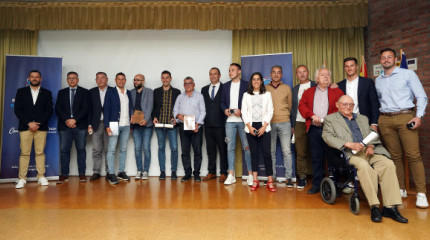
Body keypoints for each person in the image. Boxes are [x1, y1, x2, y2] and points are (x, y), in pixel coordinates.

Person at [323, 95, 408, 223]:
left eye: (351, 104)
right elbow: (327, 136)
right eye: (345, 104)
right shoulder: (330, 119)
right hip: (350, 153)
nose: (348, 107)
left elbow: (372, 135)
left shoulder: (362, 118)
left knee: (388, 164)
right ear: (337, 105)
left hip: (368, 151)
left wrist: (371, 145)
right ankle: (374, 207)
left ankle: (390, 207)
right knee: (363, 166)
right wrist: (348, 144)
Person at [375, 48, 428, 208]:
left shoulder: (408, 74)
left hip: (406, 117)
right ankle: (400, 188)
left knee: (414, 156)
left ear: (395, 59)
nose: (386, 60)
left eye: (389, 57)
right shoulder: (378, 80)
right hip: (385, 119)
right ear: (380, 61)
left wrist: (419, 116)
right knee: (395, 157)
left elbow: (421, 96)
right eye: (383, 58)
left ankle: (421, 193)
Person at [298, 68, 344, 194]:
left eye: (328, 75)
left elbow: (342, 107)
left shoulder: (338, 91)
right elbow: (302, 106)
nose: (326, 77)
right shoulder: (308, 92)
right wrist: (311, 115)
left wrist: (328, 119)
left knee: (332, 158)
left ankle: (335, 186)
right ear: (316, 79)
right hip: (314, 129)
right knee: (317, 158)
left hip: (331, 130)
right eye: (322, 75)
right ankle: (317, 184)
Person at [14, 70, 53, 189]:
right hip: (25, 127)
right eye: (32, 77)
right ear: (28, 78)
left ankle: (41, 176)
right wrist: (29, 123)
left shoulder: (47, 93)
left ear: (40, 79)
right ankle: (22, 178)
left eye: (37, 77)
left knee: (40, 153)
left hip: (41, 128)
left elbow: (49, 110)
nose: (34, 78)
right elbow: (17, 110)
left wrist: (37, 124)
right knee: (25, 153)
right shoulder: (21, 92)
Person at [242, 72, 275, 192]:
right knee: (254, 155)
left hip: (264, 127)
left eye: (258, 79)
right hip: (250, 127)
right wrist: (249, 127)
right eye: (253, 79)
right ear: (251, 82)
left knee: (267, 154)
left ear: (261, 81)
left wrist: (264, 126)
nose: (256, 81)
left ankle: (270, 181)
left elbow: (270, 111)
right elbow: (244, 112)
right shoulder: (246, 95)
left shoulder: (267, 94)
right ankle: (255, 180)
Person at [221, 63, 253, 186]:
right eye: (229, 70)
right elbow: (222, 102)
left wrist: (242, 110)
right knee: (230, 148)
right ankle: (231, 175)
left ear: (239, 71)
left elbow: (250, 101)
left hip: (243, 121)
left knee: (247, 147)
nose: (230, 72)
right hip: (229, 122)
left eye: (233, 70)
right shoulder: (225, 86)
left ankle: (250, 175)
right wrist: (225, 110)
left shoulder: (246, 84)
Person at [55, 71, 89, 184]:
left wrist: (75, 120)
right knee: (64, 150)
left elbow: (86, 108)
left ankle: (82, 174)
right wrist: (67, 120)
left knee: (81, 149)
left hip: (80, 125)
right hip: (65, 126)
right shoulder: (62, 92)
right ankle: (64, 174)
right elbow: (58, 109)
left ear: (78, 80)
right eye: (69, 78)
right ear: (67, 80)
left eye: (74, 78)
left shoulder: (85, 92)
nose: (72, 80)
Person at [173, 77, 206, 182]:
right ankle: (187, 173)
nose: (188, 85)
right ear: (183, 85)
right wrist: (178, 116)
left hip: (196, 127)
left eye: (190, 83)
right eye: (185, 83)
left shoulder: (199, 96)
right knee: (185, 151)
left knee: (197, 151)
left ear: (194, 84)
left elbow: (203, 111)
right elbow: (175, 111)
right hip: (183, 127)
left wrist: (197, 124)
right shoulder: (179, 97)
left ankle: (196, 173)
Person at [103, 72, 133, 185]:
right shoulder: (110, 92)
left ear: (125, 80)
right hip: (114, 125)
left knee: (123, 149)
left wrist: (131, 122)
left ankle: (121, 172)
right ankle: (111, 173)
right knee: (111, 149)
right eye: (119, 79)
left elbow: (130, 108)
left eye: (123, 79)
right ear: (115, 80)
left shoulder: (128, 93)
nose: (121, 81)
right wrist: (107, 126)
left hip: (126, 125)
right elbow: (106, 110)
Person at [266, 65, 293, 187]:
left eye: (278, 73)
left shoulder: (287, 88)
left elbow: (290, 105)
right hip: (269, 123)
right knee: (271, 151)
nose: (276, 75)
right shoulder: (265, 88)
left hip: (284, 122)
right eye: (273, 72)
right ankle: (272, 177)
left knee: (286, 151)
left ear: (281, 75)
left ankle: (288, 178)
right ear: (270, 74)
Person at [152, 70, 181, 180]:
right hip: (159, 125)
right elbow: (153, 107)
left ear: (170, 78)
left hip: (171, 125)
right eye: (163, 77)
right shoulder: (156, 91)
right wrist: (154, 117)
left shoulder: (177, 92)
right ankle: (162, 171)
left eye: (167, 77)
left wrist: (176, 119)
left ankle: (173, 171)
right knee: (161, 148)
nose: (165, 79)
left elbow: (179, 107)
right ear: (161, 79)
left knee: (174, 148)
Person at [291, 65, 316, 189]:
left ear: (308, 72)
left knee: (317, 151)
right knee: (300, 151)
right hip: (299, 122)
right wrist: (292, 125)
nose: (302, 74)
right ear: (296, 75)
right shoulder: (294, 89)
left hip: (313, 122)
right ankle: (302, 177)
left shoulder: (316, 85)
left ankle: (319, 177)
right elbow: (292, 108)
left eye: (304, 71)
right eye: (299, 72)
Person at [201, 67, 228, 182]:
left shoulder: (225, 88)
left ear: (219, 75)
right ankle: (211, 172)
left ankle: (223, 173)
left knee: (223, 149)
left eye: (215, 74)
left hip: (221, 124)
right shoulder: (204, 89)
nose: (213, 76)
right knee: (210, 150)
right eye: (211, 74)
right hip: (207, 124)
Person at [337, 57, 379, 130]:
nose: (349, 68)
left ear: (356, 67)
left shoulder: (368, 83)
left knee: (366, 141)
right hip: (346, 122)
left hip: (365, 121)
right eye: (347, 66)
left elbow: (374, 104)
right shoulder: (340, 85)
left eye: (352, 65)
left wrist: (374, 123)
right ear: (344, 68)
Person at [88, 72, 112, 181]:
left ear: (106, 79)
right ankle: (96, 172)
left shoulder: (113, 91)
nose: (100, 80)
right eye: (97, 78)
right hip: (95, 125)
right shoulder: (91, 92)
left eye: (102, 78)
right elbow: (89, 110)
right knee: (96, 149)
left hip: (109, 125)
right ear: (95, 80)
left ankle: (109, 172)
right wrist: (89, 124)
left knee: (108, 149)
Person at [130, 74, 153, 180]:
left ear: (143, 81)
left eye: (138, 80)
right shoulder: (131, 92)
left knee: (146, 148)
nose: (136, 81)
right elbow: (130, 107)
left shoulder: (149, 91)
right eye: (134, 80)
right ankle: (139, 170)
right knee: (137, 148)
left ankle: (146, 171)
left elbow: (150, 107)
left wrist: (146, 119)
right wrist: (132, 117)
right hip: (135, 125)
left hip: (147, 125)